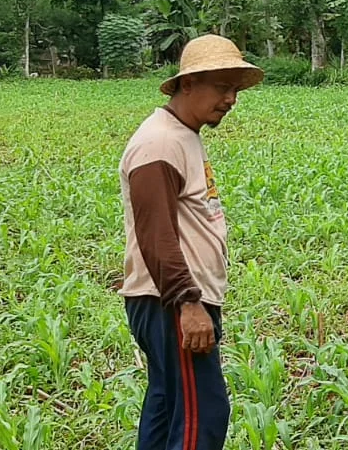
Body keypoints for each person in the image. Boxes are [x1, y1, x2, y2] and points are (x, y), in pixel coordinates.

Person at [118, 34, 262, 450]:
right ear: (187, 84)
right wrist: (187, 303)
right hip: (172, 304)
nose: (231, 99)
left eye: (235, 89)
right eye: (222, 87)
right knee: (204, 415)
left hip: (170, 302)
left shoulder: (181, 135)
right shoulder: (159, 143)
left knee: (167, 410)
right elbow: (156, 233)